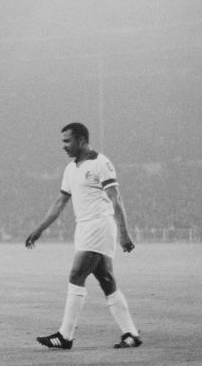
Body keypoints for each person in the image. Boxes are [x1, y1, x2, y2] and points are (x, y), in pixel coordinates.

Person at [24, 123, 142, 350]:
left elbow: (116, 199)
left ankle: (65, 336)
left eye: (67, 141)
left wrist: (124, 233)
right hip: (84, 229)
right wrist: (39, 229)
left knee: (76, 274)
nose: (64, 146)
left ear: (81, 140)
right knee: (107, 281)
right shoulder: (70, 170)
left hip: (98, 226)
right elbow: (60, 202)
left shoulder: (101, 163)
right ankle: (131, 334)